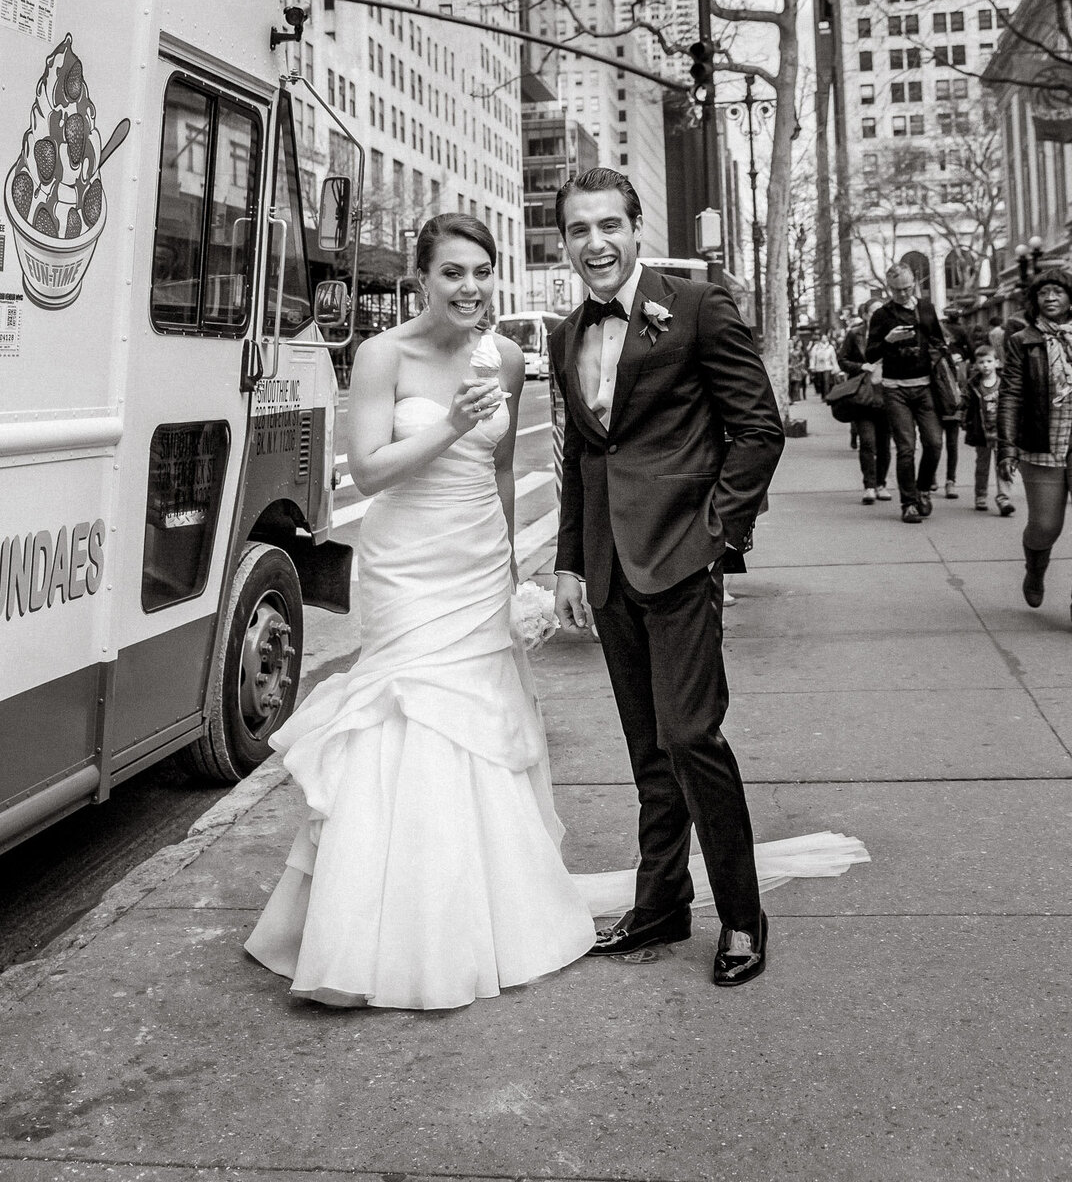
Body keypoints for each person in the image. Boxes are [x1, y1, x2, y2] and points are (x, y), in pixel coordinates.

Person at [243, 213, 868, 1010]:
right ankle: (448, 919)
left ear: (634, 231)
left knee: (656, 735)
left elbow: (514, 474)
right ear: (421, 277)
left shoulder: (510, 354)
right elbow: (370, 472)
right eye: (452, 273)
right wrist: (553, 540)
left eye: (481, 272)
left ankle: (733, 920)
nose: (469, 287)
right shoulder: (386, 354)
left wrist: (515, 568)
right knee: (415, 726)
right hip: (410, 567)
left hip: (510, 563)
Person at [550, 168, 785, 987]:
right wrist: (570, 563)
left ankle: (743, 918)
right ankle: (660, 905)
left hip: (683, 560)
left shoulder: (695, 306)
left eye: (608, 225)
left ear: (638, 227)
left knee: (693, 739)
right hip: (611, 571)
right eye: (579, 230)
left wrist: (716, 533)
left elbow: (758, 428)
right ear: (565, 242)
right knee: (650, 753)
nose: (595, 243)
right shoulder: (565, 332)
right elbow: (584, 456)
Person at [998, 268, 1072, 616]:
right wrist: (1007, 447)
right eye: (1044, 293)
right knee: (1045, 526)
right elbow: (1011, 394)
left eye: (1058, 291)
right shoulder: (1022, 341)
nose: (1051, 298)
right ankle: (1035, 569)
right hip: (1042, 443)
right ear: (1035, 301)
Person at [866, 264, 947, 524]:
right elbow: (870, 354)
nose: (903, 293)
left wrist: (941, 353)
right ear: (889, 289)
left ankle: (923, 489)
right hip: (895, 388)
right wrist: (888, 340)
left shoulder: (926, 308)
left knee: (934, 443)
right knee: (906, 448)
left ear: (914, 283)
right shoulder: (882, 314)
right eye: (898, 289)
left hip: (924, 385)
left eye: (907, 288)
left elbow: (938, 341)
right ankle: (909, 502)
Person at [837, 303, 891, 505]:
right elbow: (842, 360)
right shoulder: (855, 334)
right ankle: (869, 486)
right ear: (865, 315)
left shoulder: (891, 333)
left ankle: (881, 484)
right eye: (873, 312)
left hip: (886, 394)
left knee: (884, 443)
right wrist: (862, 367)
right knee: (867, 442)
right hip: (862, 395)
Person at [963, 341, 1015, 516]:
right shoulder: (973, 385)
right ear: (976, 365)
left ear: (997, 362)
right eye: (981, 362)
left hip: (1002, 433)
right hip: (982, 433)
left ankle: (1004, 499)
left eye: (989, 361)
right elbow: (965, 404)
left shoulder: (1005, 383)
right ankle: (981, 495)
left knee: (1004, 464)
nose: (985, 365)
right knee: (982, 466)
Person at [939, 342, 968, 500]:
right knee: (934, 445)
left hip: (953, 410)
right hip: (936, 408)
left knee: (952, 445)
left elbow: (964, 386)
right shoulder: (935, 362)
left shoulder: (959, 367)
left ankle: (950, 481)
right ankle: (930, 478)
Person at [807, 331, 840, 398]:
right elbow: (813, 357)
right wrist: (812, 366)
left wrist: (835, 367)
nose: (824, 339)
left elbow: (833, 358)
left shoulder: (830, 347)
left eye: (825, 338)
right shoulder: (816, 347)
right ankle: (823, 395)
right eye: (823, 338)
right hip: (819, 367)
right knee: (821, 382)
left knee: (826, 381)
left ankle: (826, 396)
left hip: (827, 366)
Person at [788, 336, 808, 403]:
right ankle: (791, 398)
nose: (790, 344)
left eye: (791, 343)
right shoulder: (786, 351)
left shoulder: (797, 351)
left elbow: (803, 360)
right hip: (788, 370)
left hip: (796, 370)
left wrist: (799, 365)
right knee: (790, 385)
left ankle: (794, 398)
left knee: (796, 385)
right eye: (789, 343)